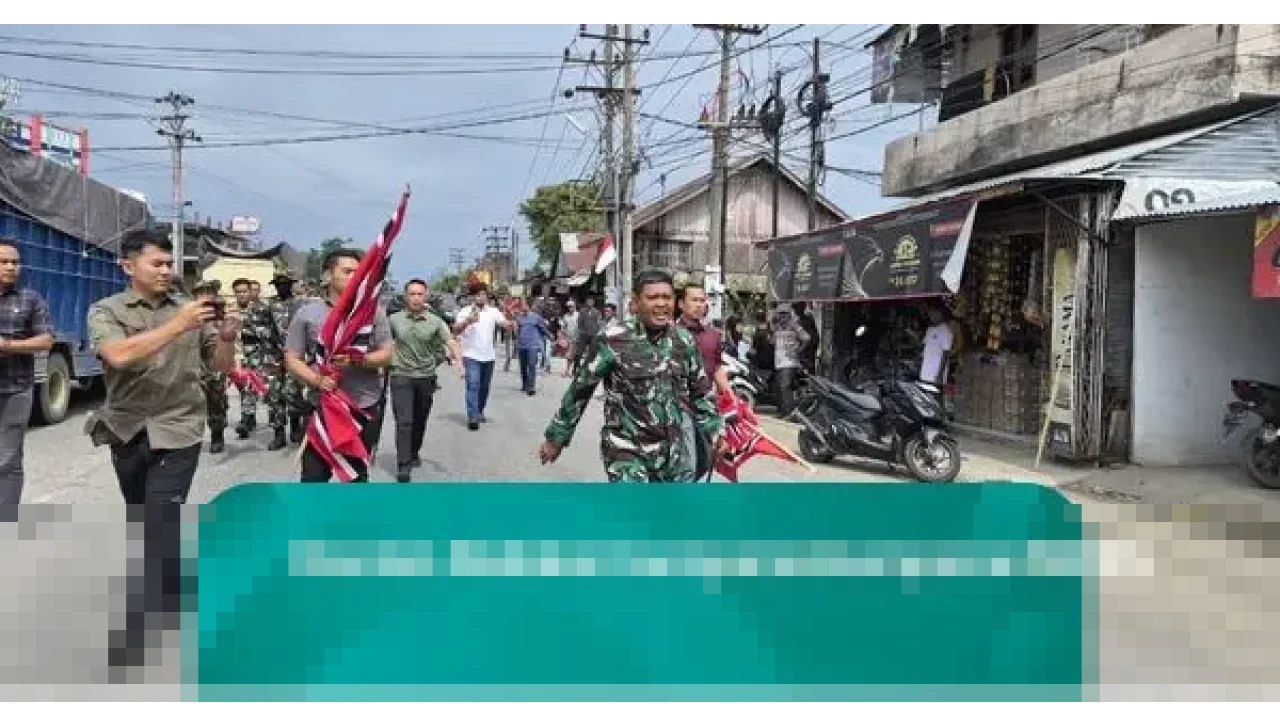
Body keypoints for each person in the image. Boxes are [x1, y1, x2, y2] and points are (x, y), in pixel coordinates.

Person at [84, 229, 239, 674]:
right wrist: (181, 325)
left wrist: (226, 336)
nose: (168, 270)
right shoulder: (107, 311)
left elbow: (220, 367)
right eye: (158, 263)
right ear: (128, 266)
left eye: (170, 263)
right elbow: (117, 356)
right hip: (127, 429)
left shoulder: (188, 310)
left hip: (179, 429)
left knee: (161, 518)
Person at [539, 269, 727, 483]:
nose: (661, 304)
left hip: (671, 454)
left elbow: (701, 392)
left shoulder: (683, 342)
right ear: (636, 303)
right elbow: (580, 391)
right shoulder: (612, 340)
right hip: (626, 450)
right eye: (652, 297)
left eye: (666, 297)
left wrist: (715, 431)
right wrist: (557, 438)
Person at [284, 248, 394, 483]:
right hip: (320, 406)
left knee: (356, 478)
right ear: (328, 275)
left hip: (362, 406)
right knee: (314, 478)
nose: (354, 277)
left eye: (358, 272)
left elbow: (387, 354)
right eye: (347, 271)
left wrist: (360, 359)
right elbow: (292, 358)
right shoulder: (307, 313)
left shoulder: (373, 313)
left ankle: (351, 520)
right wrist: (316, 380)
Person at [387, 279, 461, 483]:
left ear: (426, 297)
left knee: (419, 420)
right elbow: (383, 343)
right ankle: (403, 464)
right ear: (405, 297)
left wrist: (458, 361)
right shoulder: (394, 320)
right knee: (404, 421)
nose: (416, 298)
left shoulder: (435, 322)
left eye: (420, 294)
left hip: (426, 377)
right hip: (401, 375)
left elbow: (450, 341)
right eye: (412, 294)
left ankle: (413, 451)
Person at [0, 238, 53, 506]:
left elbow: (45, 341)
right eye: (4, 262)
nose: (11, 267)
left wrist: (7, 345)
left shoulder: (30, 300)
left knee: (8, 458)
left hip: (15, 389)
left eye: (15, 262)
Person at [675, 286, 733, 479]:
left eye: (702, 300)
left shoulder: (712, 336)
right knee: (688, 463)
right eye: (694, 300)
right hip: (679, 405)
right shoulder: (670, 334)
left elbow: (716, 367)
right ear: (681, 304)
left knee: (706, 459)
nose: (699, 305)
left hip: (705, 406)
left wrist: (730, 396)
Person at [451, 284, 514, 431]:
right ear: (472, 297)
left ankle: (479, 410)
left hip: (488, 356)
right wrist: (467, 321)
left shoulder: (493, 311)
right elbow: (455, 330)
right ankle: (472, 416)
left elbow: (503, 322)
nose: (481, 297)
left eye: (484, 294)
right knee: (473, 384)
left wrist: (510, 324)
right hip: (471, 355)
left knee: (484, 387)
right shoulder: (465, 312)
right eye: (478, 294)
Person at [266, 271, 309, 448]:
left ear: (290, 285)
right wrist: (270, 336)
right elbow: (259, 325)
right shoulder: (268, 305)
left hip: (295, 354)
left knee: (293, 392)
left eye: (285, 284)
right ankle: (278, 434)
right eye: (278, 284)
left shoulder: (300, 305)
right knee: (274, 395)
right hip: (274, 356)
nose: (281, 287)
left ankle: (295, 427)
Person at [192, 281, 229, 454]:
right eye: (201, 292)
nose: (205, 295)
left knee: (216, 400)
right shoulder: (187, 313)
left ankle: (217, 434)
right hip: (192, 365)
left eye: (209, 292)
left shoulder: (220, 313)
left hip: (214, 365)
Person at [231, 278, 269, 439]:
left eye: (244, 291)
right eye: (238, 291)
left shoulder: (262, 310)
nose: (241, 295)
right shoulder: (230, 311)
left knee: (249, 386)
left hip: (256, 353)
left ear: (250, 292)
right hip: (235, 355)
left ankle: (246, 419)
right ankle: (250, 417)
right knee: (242, 388)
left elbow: (268, 332)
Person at [772, 305, 809, 417]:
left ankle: (789, 413)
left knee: (785, 386)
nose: (782, 316)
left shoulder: (794, 326)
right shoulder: (777, 327)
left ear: (789, 314)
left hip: (789, 362)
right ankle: (783, 411)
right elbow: (772, 342)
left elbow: (806, 338)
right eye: (780, 313)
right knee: (779, 387)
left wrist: (797, 350)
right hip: (778, 361)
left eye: (785, 313)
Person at [515, 301, 551, 395]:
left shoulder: (536, 317)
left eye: (525, 305)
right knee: (523, 366)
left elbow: (543, 329)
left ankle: (531, 387)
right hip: (522, 345)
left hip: (533, 345)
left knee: (531, 365)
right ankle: (525, 384)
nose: (524, 307)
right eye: (522, 305)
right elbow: (517, 331)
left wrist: (550, 335)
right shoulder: (519, 318)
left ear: (529, 306)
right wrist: (517, 342)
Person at [920, 304, 954, 385]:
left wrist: (940, 375)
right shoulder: (930, 329)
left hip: (936, 375)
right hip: (925, 371)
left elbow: (946, 353)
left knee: (934, 396)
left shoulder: (945, 331)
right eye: (930, 314)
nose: (930, 317)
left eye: (932, 314)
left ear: (940, 314)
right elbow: (924, 344)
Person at [572, 296, 601, 375]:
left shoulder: (597, 312)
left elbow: (598, 323)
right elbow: (579, 322)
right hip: (584, 334)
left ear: (593, 303)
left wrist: (597, 332)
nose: (590, 303)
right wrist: (581, 331)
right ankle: (575, 368)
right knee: (579, 352)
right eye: (588, 301)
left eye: (591, 302)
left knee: (591, 352)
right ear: (586, 302)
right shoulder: (582, 311)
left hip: (593, 335)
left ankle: (586, 368)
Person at [793, 302, 819, 374]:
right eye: (795, 309)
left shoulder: (807, 319)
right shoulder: (798, 321)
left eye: (797, 308)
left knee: (809, 368)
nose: (796, 311)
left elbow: (814, 335)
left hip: (808, 349)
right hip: (805, 349)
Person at [560, 299, 579, 377]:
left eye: (571, 306)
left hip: (577, 338)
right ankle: (568, 371)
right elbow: (563, 327)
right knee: (569, 356)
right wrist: (562, 335)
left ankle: (571, 371)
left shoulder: (578, 315)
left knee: (573, 356)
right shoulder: (566, 316)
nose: (570, 308)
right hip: (568, 338)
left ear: (574, 306)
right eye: (568, 306)